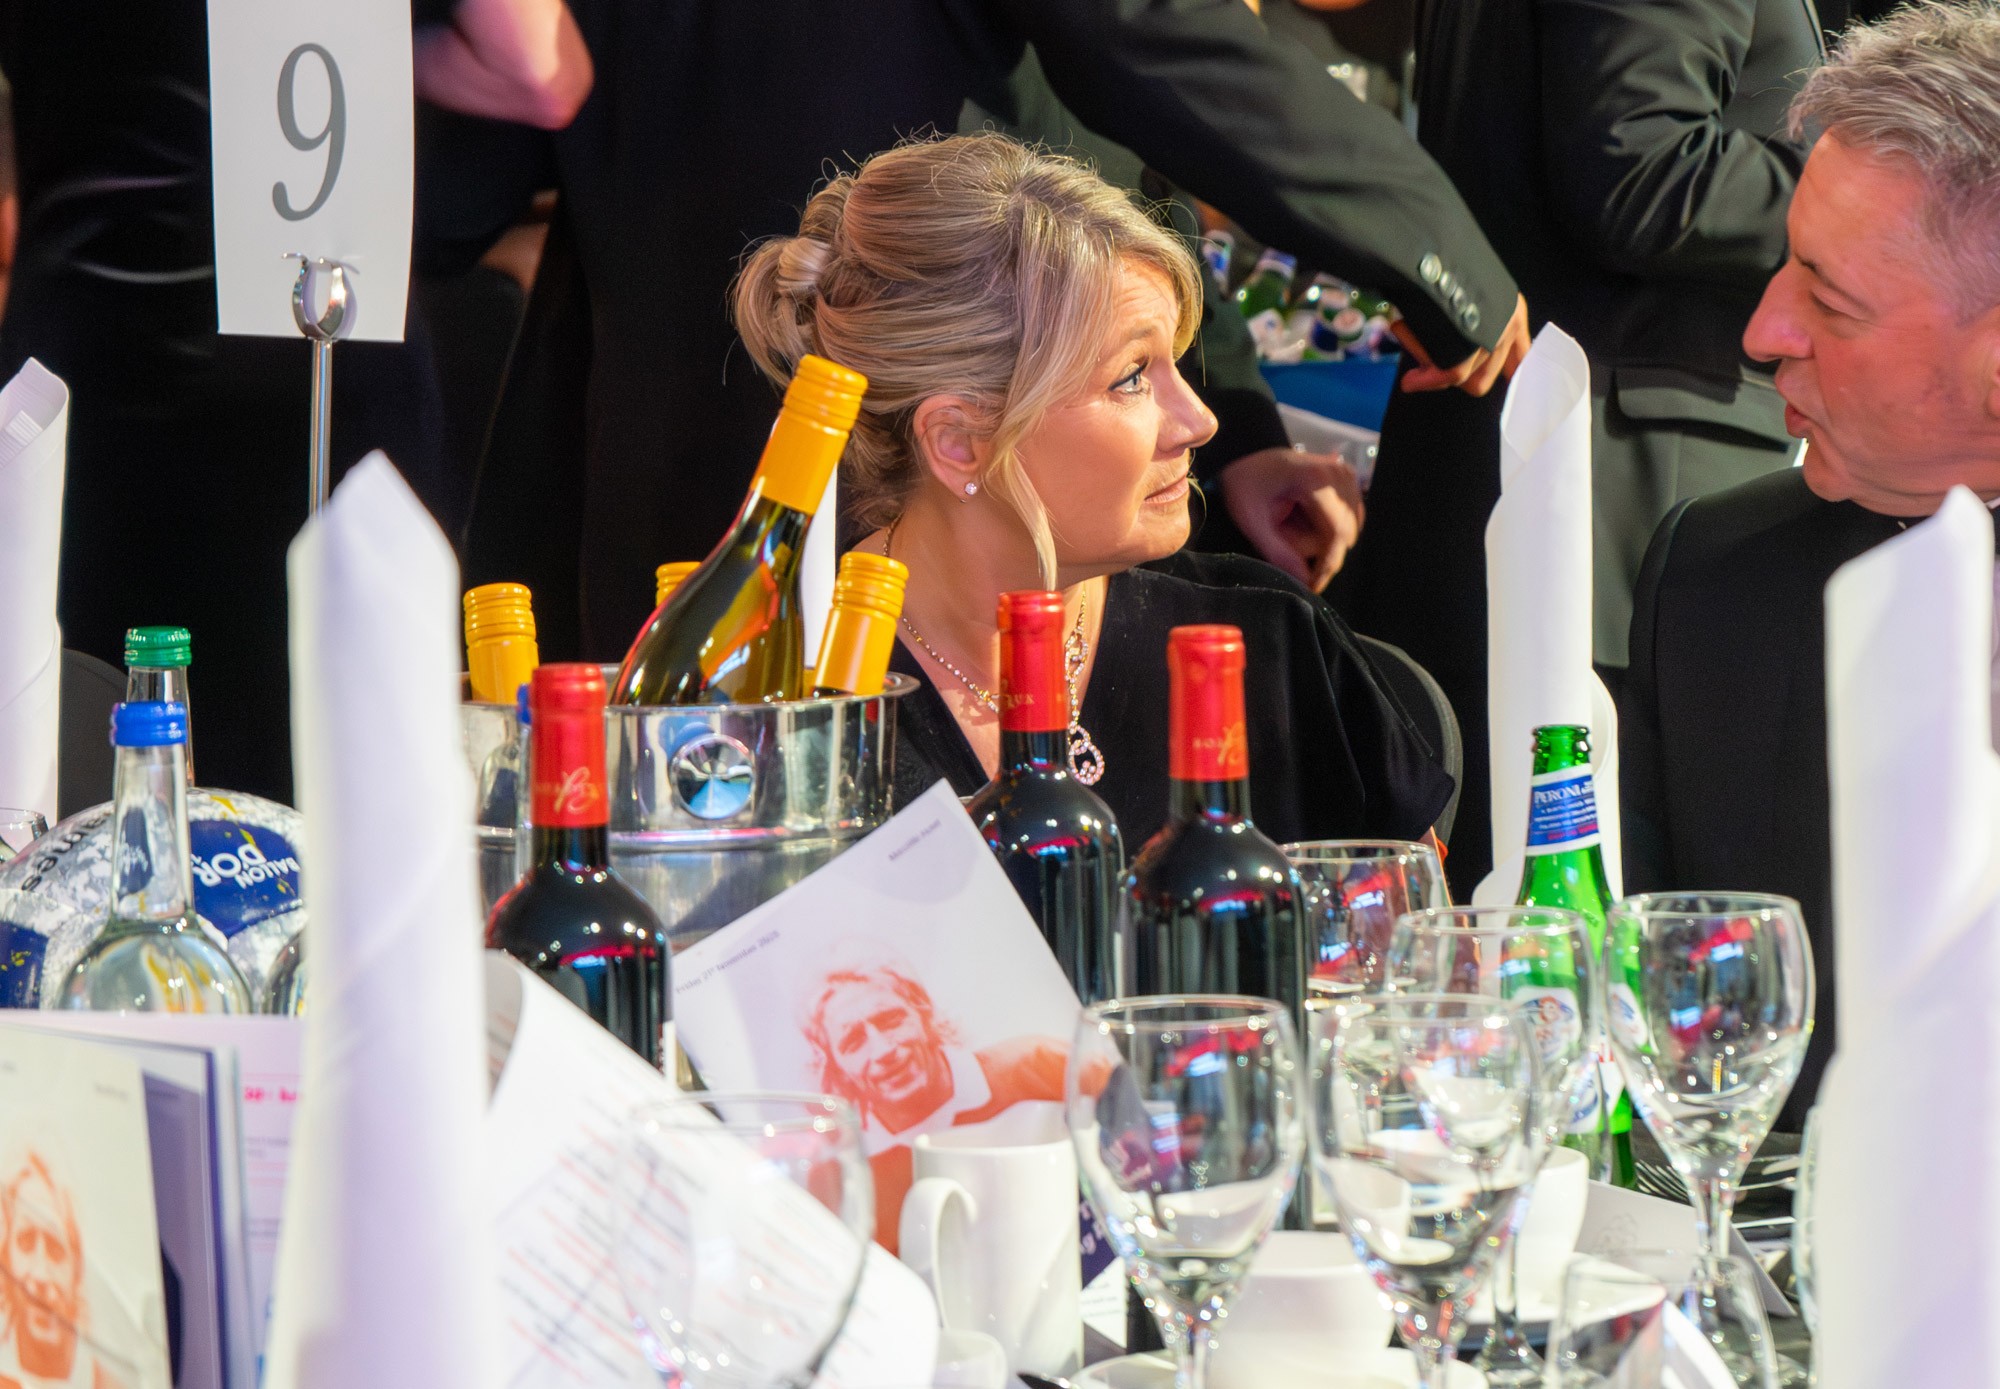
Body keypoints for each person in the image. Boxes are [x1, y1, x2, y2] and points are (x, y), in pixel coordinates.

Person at [455, 0, 1533, 661]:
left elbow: (479, 164)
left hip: (660, 454)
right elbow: (1146, 32)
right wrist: (1434, 248)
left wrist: (1230, 419)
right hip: (943, 435)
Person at [733, 134, 1455, 853]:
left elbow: (1430, 950)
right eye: (1133, 376)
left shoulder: (1266, 646)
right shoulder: (785, 700)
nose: (1200, 420)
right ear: (960, 441)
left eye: (1176, 361)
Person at [0, 0, 586, 804]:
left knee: (88, 784)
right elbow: (541, 67)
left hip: (75, 356)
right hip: (307, 332)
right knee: (332, 804)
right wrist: (363, 43)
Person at [1340, 0, 1821, 894]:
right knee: (1596, 901)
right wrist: (1870, 187)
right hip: (1613, 482)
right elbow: (1640, 167)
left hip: (1561, 465)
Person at [1621, 0, 2000, 1126]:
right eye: (1785, 265)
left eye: (1826, 298)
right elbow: (1670, 1049)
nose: (1762, 330)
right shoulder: (1719, 579)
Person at [802, 961, 1067, 1250]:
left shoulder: (1043, 1062)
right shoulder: (841, 1176)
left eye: (891, 1020)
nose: (884, 1050)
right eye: (853, 1041)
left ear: (924, 1013)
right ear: (836, 1068)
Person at [0, 1152, 119, 1389]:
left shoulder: (110, 1382)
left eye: (56, 1249)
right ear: (6, 1256)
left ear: (77, 1268)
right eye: (26, 1241)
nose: (41, 1274)